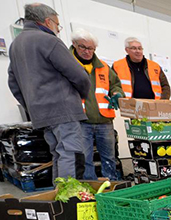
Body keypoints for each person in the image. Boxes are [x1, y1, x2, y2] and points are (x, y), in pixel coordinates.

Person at [8, 3, 91, 179]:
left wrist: (31, 105)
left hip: (41, 115)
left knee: (58, 155)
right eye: (57, 25)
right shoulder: (49, 41)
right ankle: (70, 195)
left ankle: (59, 193)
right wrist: (81, 96)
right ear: (47, 22)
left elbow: (13, 83)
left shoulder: (16, 45)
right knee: (71, 154)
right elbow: (79, 75)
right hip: (63, 111)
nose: (58, 30)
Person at [70, 29, 124, 180]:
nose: (87, 51)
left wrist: (117, 93)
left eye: (91, 48)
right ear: (74, 44)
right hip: (81, 120)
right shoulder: (68, 65)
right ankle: (90, 186)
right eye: (83, 47)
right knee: (85, 158)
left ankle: (111, 183)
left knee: (109, 157)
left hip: (104, 120)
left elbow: (115, 84)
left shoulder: (103, 67)